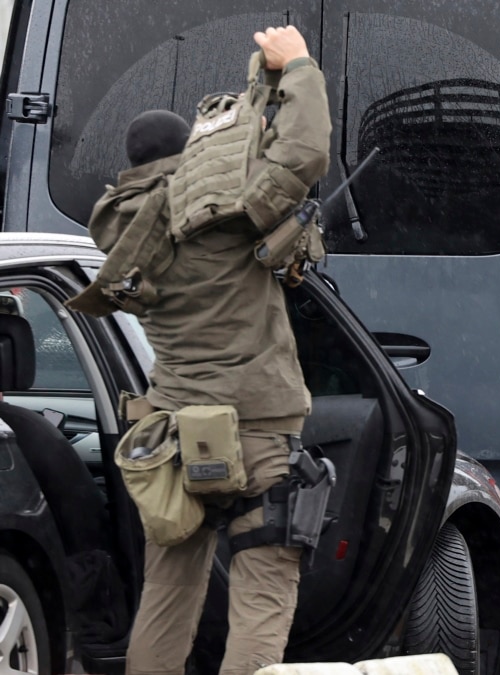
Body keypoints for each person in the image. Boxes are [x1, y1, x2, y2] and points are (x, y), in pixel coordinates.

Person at [69, 25, 330, 675]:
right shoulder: (223, 215)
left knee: (166, 598)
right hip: (256, 432)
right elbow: (302, 155)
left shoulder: (128, 234)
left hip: (171, 434)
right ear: (186, 156)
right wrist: (296, 66)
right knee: (263, 594)